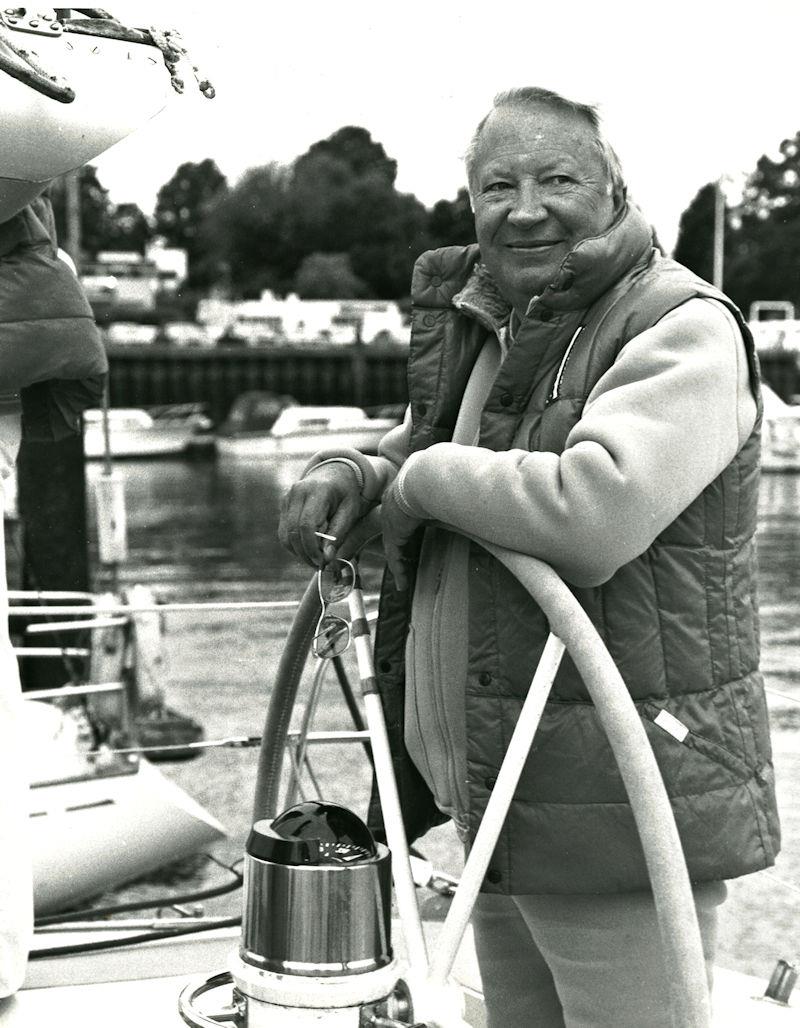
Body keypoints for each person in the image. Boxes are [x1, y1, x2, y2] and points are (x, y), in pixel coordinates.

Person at [278, 86, 779, 1027]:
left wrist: (420, 482)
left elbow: (593, 510)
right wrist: (359, 468)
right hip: (504, 792)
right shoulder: (508, 325)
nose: (526, 207)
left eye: (557, 178)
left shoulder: (681, 328)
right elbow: (439, 441)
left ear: (616, 191)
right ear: (470, 206)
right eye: (497, 185)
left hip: (616, 811)